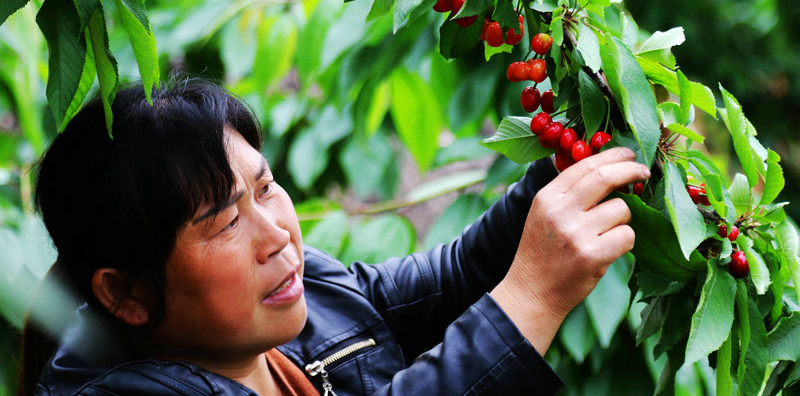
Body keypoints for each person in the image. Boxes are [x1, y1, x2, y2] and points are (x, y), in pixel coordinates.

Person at [20, 77, 649, 396]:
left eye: (266, 189)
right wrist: (533, 295)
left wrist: (569, 161)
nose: (277, 236)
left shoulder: (305, 290)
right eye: (226, 221)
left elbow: (449, 280)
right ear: (125, 294)